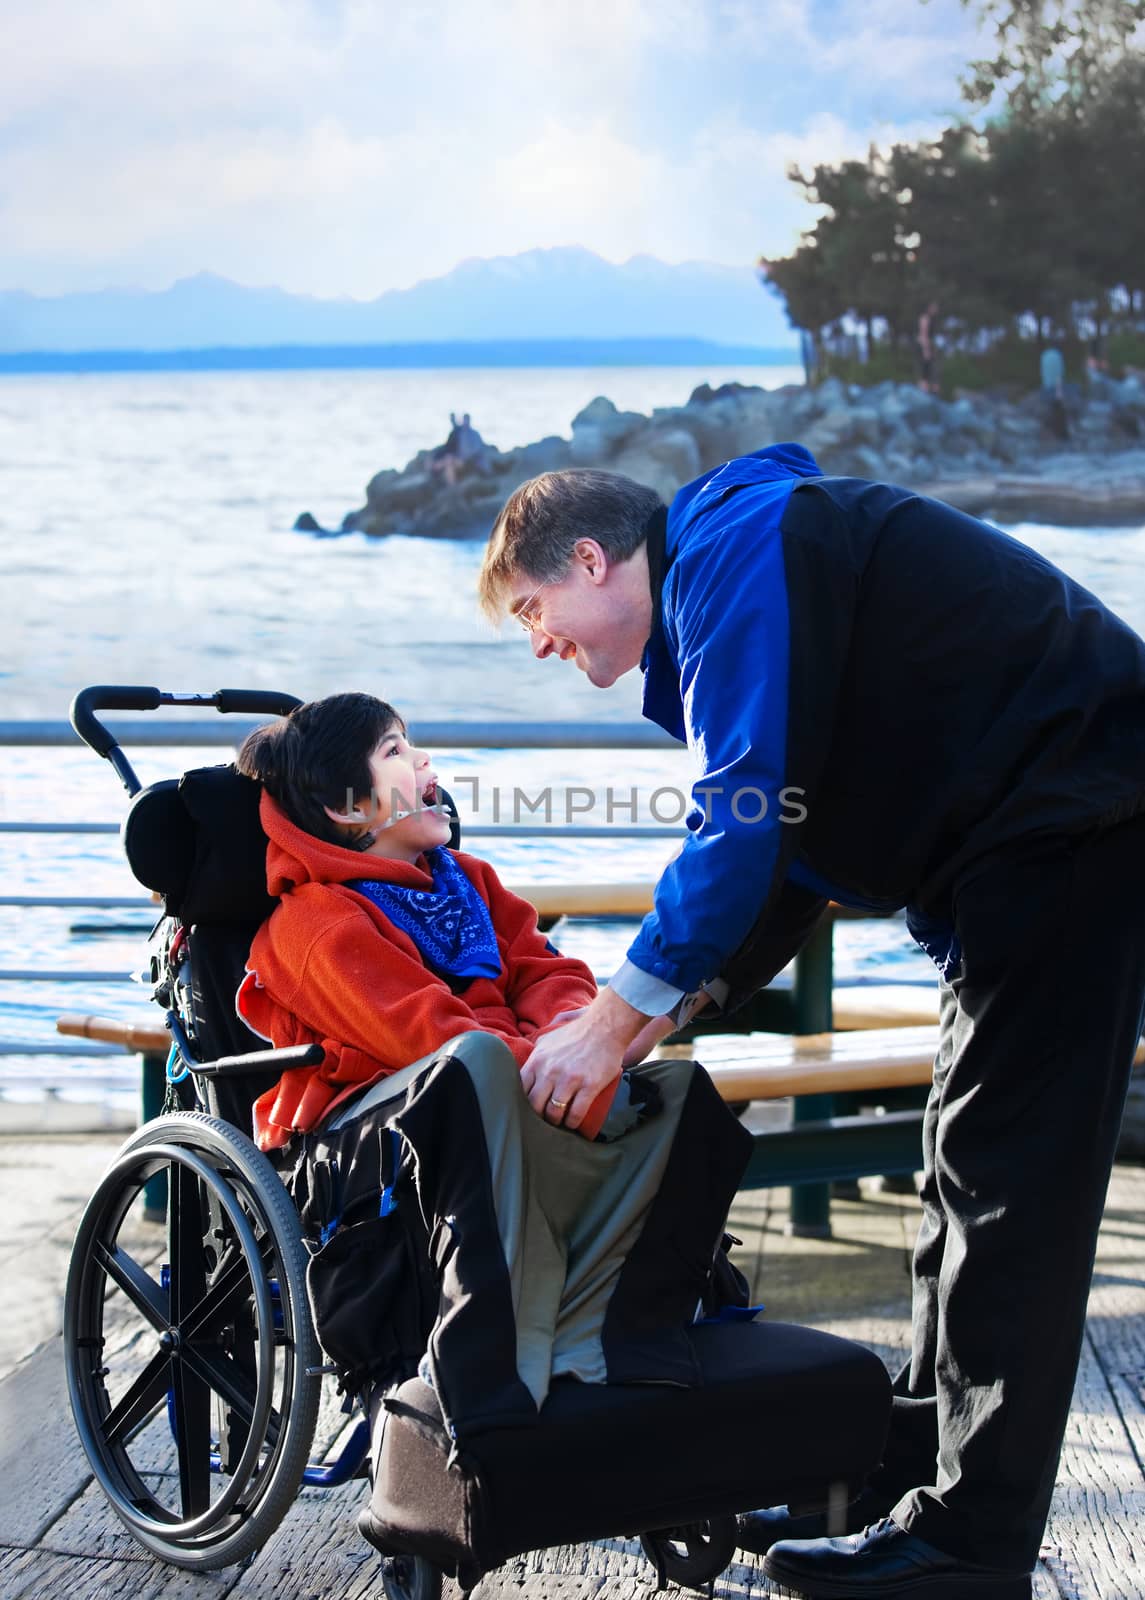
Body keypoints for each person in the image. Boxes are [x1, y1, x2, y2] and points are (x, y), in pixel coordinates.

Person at [477, 454, 1145, 1599]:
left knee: (1007, 1188)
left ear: (590, 558)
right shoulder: (735, 568)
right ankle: (905, 1470)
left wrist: (611, 1018)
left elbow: (741, 813)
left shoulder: (734, 546)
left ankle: (968, 1546)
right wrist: (654, 1015)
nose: (539, 641)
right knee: (960, 1168)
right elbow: (786, 849)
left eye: (535, 610)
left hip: (1072, 819)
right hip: (1035, 838)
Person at [234, 691, 752, 1423]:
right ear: (349, 809)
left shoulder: (466, 879)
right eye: (395, 752)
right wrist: (556, 1070)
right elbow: (423, 1035)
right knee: (473, 1061)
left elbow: (549, 973)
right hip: (384, 1140)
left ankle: (613, 1337)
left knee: (675, 1087)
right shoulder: (315, 922)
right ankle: (503, 1363)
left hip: (495, 1091)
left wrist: (576, 1044)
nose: (425, 762)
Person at [916, 301, 940, 394]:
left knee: (930, 371)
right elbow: (923, 334)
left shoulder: (932, 319)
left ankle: (931, 392)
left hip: (928, 346)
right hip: (924, 346)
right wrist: (926, 350)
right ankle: (923, 392)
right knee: (925, 371)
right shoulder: (925, 318)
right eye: (934, 307)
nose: (936, 310)